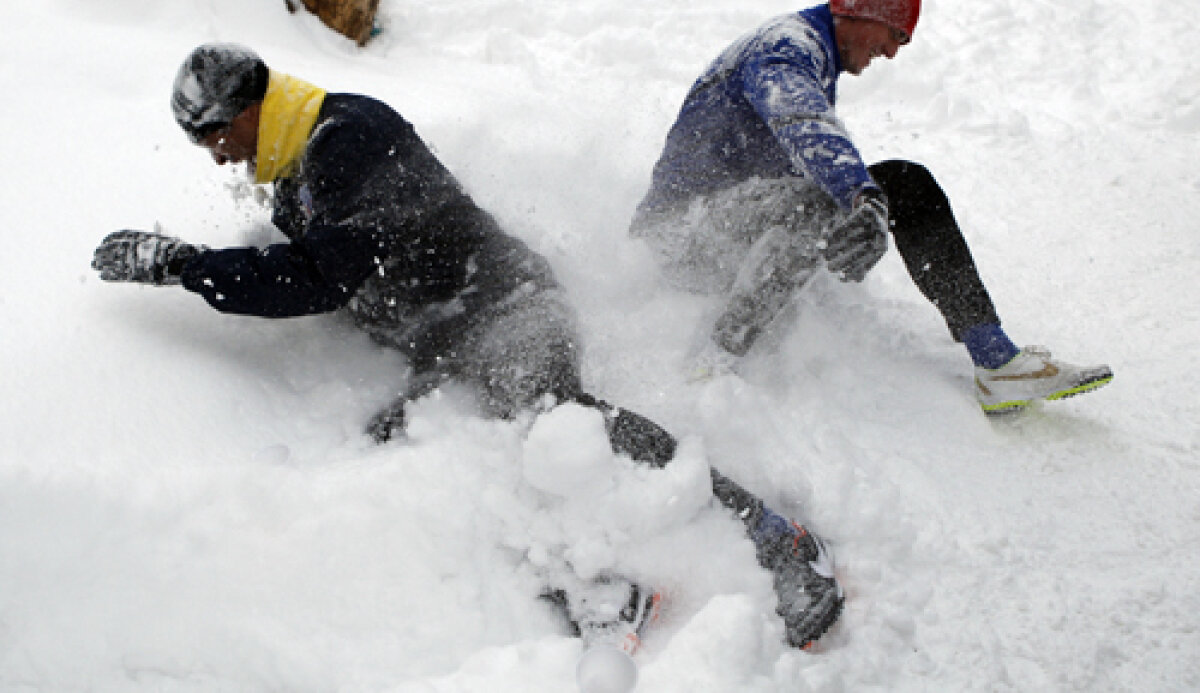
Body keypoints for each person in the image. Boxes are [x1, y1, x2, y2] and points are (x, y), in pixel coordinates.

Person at [91, 42, 843, 649]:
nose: (219, 157)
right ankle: (601, 589)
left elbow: (322, 277)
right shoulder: (295, 170)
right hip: (453, 338)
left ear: (250, 109)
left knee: (562, 422)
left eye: (218, 137)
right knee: (446, 453)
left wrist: (184, 266)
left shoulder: (343, 138)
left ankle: (775, 540)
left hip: (510, 303)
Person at [630, 0, 1112, 412]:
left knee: (904, 182)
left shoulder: (811, 52)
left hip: (732, 226)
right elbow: (804, 122)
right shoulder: (785, 46)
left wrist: (866, 201)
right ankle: (711, 363)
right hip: (678, 237)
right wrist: (859, 197)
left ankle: (995, 358)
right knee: (822, 200)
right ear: (861, 12)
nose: (893, 50)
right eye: (894, 33)